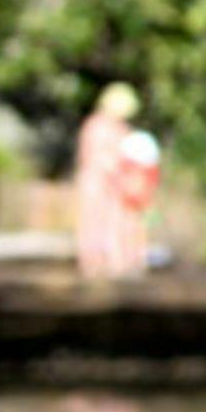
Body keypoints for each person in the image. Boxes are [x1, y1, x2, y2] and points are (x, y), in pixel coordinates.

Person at [75, 83, 157, 279]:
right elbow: (96, 157)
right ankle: (93, 263)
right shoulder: (95, 126)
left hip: (119, 182)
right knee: (94, 220)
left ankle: (120, 262)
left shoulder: (122, 128)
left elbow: (131, 156)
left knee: (120, 220)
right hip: (96, 182)